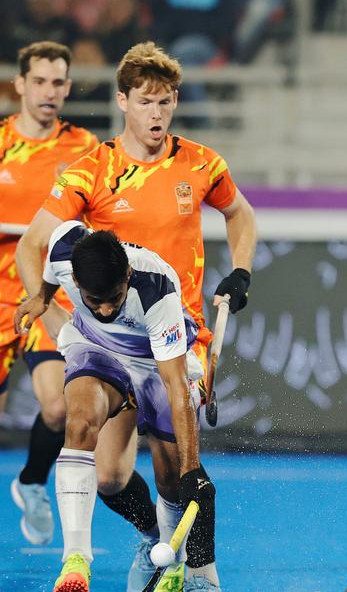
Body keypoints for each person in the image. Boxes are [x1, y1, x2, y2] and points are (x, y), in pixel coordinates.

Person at [17, 41, 257, 592]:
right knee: (108, 477)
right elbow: (33, 246)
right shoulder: (91, 170)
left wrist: (241, 271)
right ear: (122, 101)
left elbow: (239, 214)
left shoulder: (202, 163)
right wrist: (47, 308)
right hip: (109, 339)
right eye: (146, 102)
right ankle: (155, 542)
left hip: (174, 332)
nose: (157, 113)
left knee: (177, 473)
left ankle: (196, 570)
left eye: (166, 102)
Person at [15, 224, 217, 592]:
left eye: (115, 297)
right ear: (76, 280)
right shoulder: (63, 248)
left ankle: (174, 565)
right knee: (80, 427)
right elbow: (47, 277)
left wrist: (191, 469)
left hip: (156, 363)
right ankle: (76, 561)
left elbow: (174, 385)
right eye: (95, 300)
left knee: (170, 479)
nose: (106, 308)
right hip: (96, 348)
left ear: (127, 275)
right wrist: (41, 297)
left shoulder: (156, 288)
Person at [2, 41, 99, 547]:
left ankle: (31, 483)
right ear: (20, 84)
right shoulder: (0, 142)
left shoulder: (84, 148)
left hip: (48, 295)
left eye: (58, 82)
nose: (48, 91)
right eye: (38, 81)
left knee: (60, 408)